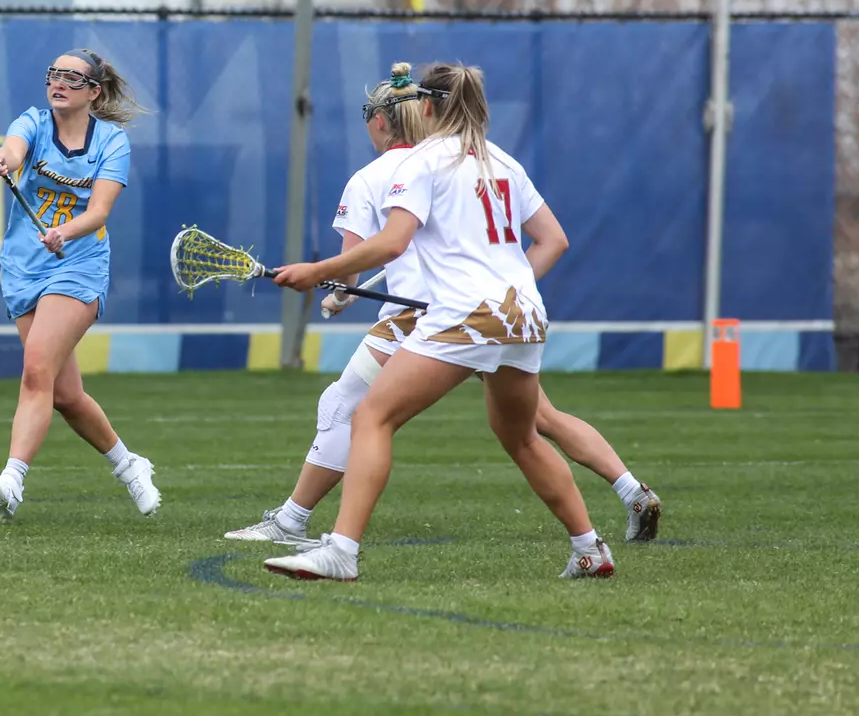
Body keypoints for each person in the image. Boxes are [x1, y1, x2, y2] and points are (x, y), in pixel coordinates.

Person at [224, 65, 661, 547]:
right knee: (538, 423)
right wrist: (503, 291)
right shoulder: (495, 160)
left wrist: (326, 280)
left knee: (353, 409)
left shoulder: (391, 172)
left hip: (434, 319)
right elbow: (552, 240)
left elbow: (365, 259)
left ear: (383, 119)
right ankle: (627, 495)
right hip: (503, 315)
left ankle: (299, 525)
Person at [0, 49, 159, 520]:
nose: (58, 83)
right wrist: (3, 162)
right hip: (23, 267)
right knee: (64, 395)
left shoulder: (111, 142)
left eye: (72, 78)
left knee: (36, 368)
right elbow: (13, 150)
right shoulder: (32, 123)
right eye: (53, 73)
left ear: (94, 91)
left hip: (78, 264)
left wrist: (64, 232)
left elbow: (97, 212)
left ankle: (13, 480)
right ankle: (129, 464)